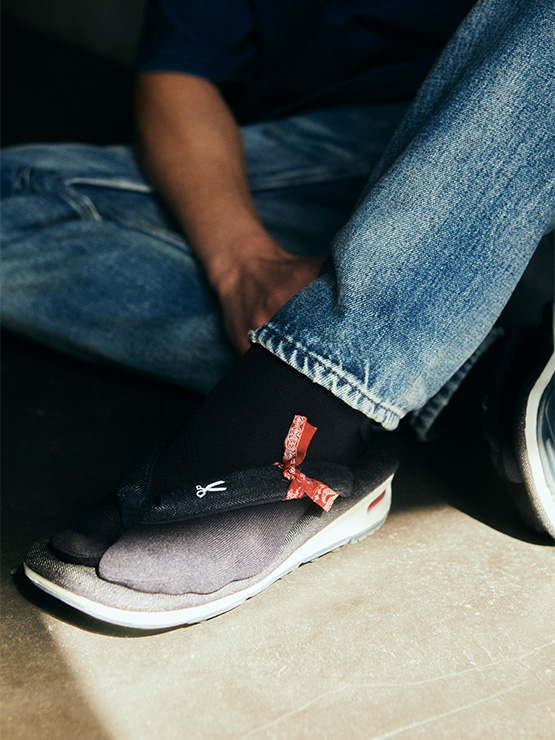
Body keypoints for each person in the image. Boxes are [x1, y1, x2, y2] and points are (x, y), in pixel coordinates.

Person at [3, 0, 554, 629]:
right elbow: (179, 74)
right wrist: (242, 266)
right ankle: (475, 371)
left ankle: (324, 390)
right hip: (347, 151)